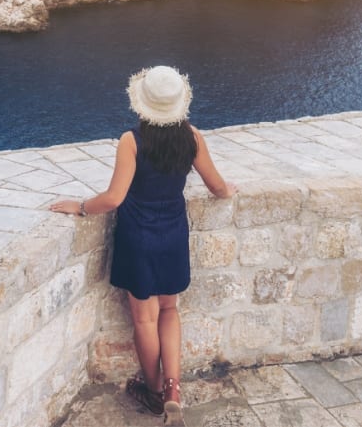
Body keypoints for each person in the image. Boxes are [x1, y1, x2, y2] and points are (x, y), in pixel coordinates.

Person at [50, 65, 236, 422]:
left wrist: (81, 207)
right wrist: (229, 191)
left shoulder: (131, 142)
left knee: (145, 320)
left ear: (142, 105)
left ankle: (153, 395)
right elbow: (217, 185)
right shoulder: (192, 137)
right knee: (170, 310)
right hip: (172, 235)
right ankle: (174, 391)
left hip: (139, 237)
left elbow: (114, 197)